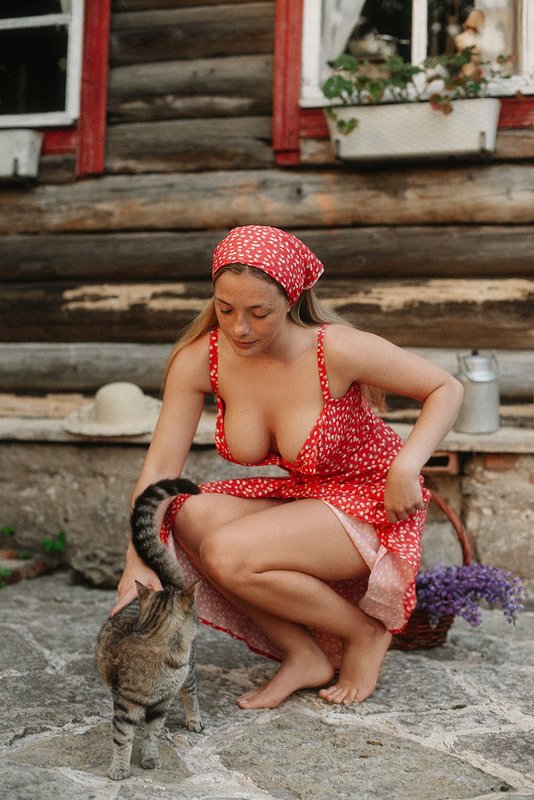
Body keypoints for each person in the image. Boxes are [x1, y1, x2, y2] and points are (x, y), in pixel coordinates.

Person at [111, 225, 464, 709]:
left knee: (228, 552)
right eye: (225, 309)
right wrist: (138, 560)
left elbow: (446, 388)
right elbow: (158, 470)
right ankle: (303, 654)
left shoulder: (334, 349)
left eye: (259, 313)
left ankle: (364, 634)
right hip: (309, 498)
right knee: (185, 512)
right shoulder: (199, 360)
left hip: (371, 502)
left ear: (292, 300)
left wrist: (407, 465)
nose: (240, 328)